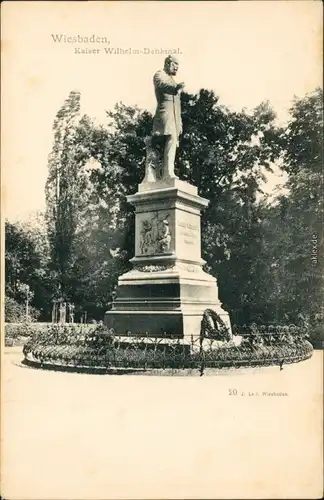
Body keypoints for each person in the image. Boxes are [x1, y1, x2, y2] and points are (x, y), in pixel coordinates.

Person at [152, 55, 185, 179]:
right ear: (167, 63)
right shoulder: (160, 74)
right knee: (168, 138)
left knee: (172, 141)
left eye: (178, 65)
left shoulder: (173, 80)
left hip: (175, 118)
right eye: (174, 64)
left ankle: (168, 171)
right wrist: (175, 88)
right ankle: (166, 173)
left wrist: (180, 122)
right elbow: (161, 85)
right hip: (164, 114)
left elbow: (177, 105)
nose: (177, 67)